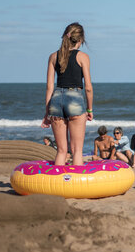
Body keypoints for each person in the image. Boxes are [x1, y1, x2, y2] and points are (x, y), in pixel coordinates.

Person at [41, 23, 93, 166]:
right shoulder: (83, 57)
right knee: (77, 150)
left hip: (56, 100)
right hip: (75, 98)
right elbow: (88, 87)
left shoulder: (53, 57)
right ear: (81, 40)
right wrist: (89, 109)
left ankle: (56, 186)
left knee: (61, 151)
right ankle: (78, 187)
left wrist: (47, 114)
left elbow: (49, 87)